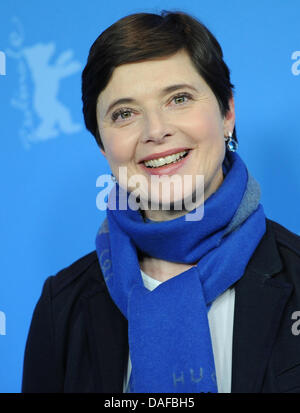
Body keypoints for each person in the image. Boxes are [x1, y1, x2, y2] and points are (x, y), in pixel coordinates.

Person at [22, 10, 300, 394]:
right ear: (103, 144)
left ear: (227, 113)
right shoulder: (62, 306)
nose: (156, 131)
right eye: (125, 113)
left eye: (179, 98)